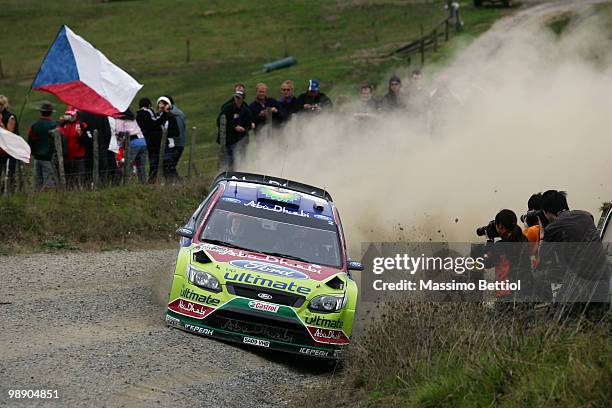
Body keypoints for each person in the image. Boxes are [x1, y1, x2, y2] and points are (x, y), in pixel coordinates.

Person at [538, 190, 610, 308]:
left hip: (582, 286)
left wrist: (542, 231)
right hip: (604, 280)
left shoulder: (553, 227)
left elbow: (542, 258)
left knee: (542, 280)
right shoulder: (586, 216)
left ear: (546, 212)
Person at [482, 209, 532, 302]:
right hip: (525, 290)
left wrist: (489, 240)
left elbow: (487, 262)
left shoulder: (500, 246)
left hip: (506, 294)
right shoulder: (523, 239)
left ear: (500, 226)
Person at [28, 101, 62, 189]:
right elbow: (59, 142)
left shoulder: (34, 125)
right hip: (49, 157)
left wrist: (33, 152)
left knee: (37, 183)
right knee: (49, 183)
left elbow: (31, 140)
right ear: (50, 113)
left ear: (41, 112)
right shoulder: (54, 126)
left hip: (37, 157)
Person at [217, 90, 253, 171]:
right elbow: (220, 121)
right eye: (236, 97)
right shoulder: (228, 108)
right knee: (229, 161)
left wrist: (244, 128)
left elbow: (249, 124)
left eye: (239, 98)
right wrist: (234, 127)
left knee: (241, 161)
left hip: (241, 140)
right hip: (229, 140)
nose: (237, 99)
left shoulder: (246, 110)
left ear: (243, 99)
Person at [78, 110, 115, 186]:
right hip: (101, 144)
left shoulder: (82, 114)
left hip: (87, 145)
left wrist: (83, 143)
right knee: (102, 167)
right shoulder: (101, 114)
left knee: (88, 167)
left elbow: (80, 131)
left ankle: (88, 185)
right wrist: (106, 145)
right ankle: (102, 185)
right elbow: (107, 131)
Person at [136, 97, 167, 183]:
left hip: (144, 139)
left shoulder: (138, 115)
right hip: (153, 141)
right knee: (155, 160)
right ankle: (152, 179)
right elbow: (154, 123)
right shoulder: (147, 112)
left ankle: (148, 180)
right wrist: (163, 115)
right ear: (149, 105)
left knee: (146, 161)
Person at [115, 109, 147, 184]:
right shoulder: (133, 118)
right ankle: (143, 183)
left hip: (132, 143)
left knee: (126, 164)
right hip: (142, 141)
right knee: (141, 166)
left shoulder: (119, 119)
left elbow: (119, 133)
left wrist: (118, 145)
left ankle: (125, 183)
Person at [59, 106, 87, 189]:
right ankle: (68, 190)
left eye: (72, 115)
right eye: (68, 115)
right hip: (67, 156)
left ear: (76, 115)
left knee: (79, 176)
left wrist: (81, 136)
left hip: (79, 156)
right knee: (68, 177)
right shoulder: (63, 125)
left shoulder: (81, 125)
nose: (70, 117)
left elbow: (86, 139)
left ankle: (80, 190)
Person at [156, 96, 180, 183]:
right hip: (160, 144)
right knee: (162, 165)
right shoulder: (157, 116)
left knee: (168, 163)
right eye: (159, 104)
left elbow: (176, 132)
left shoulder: (171, 117)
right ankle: (169, 181)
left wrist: (165, 134)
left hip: (169, 144)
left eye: (163, 104)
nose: (161, 106)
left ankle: (174, 181)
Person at [0, 95, 19, 193]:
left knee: (9, 173)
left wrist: (1, 124)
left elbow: (9, 134)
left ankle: (9, 194)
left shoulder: (10, 117)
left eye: (1, 104)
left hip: (9, 151)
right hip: (0, 150)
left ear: (4, 105)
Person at [165, 95, 186, 180]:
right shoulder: (180, 113)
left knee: (169, 166)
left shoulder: (171, 115)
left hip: (173, 143)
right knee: (171, 166)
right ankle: (176, 182)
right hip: (181, 142)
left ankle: (176, 182)